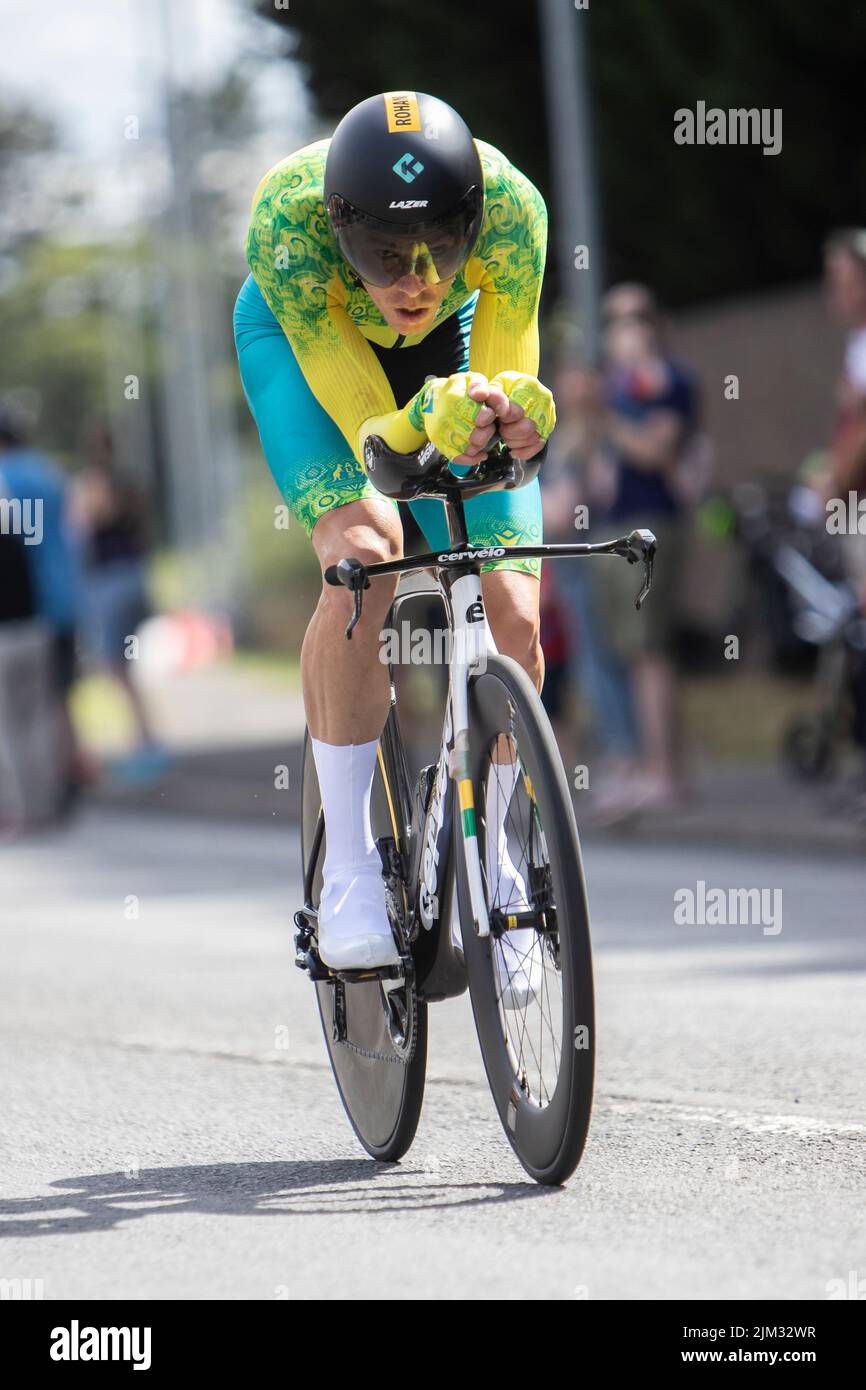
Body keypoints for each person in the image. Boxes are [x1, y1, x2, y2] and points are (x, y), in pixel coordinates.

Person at [234, 92, 555, 985]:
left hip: (445, 354)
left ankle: (505, 862)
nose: (415, 279)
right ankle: (346, 874)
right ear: (342, 233)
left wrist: (517, 424)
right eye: (384, 255)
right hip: (311, 352)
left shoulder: (515, 211)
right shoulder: (289, 223)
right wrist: (421, 419)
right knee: (366, 556)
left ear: (472, 223)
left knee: (514, 605)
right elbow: (373, 436)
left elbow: (505, 379)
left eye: (440, 251)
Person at [0, 399, 82, 811]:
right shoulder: (49, 471)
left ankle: (34, 798)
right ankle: (68, 776)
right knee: (59, 695)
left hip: (25, 606)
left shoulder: (4, 478)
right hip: (67, 594)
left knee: (23, 706)